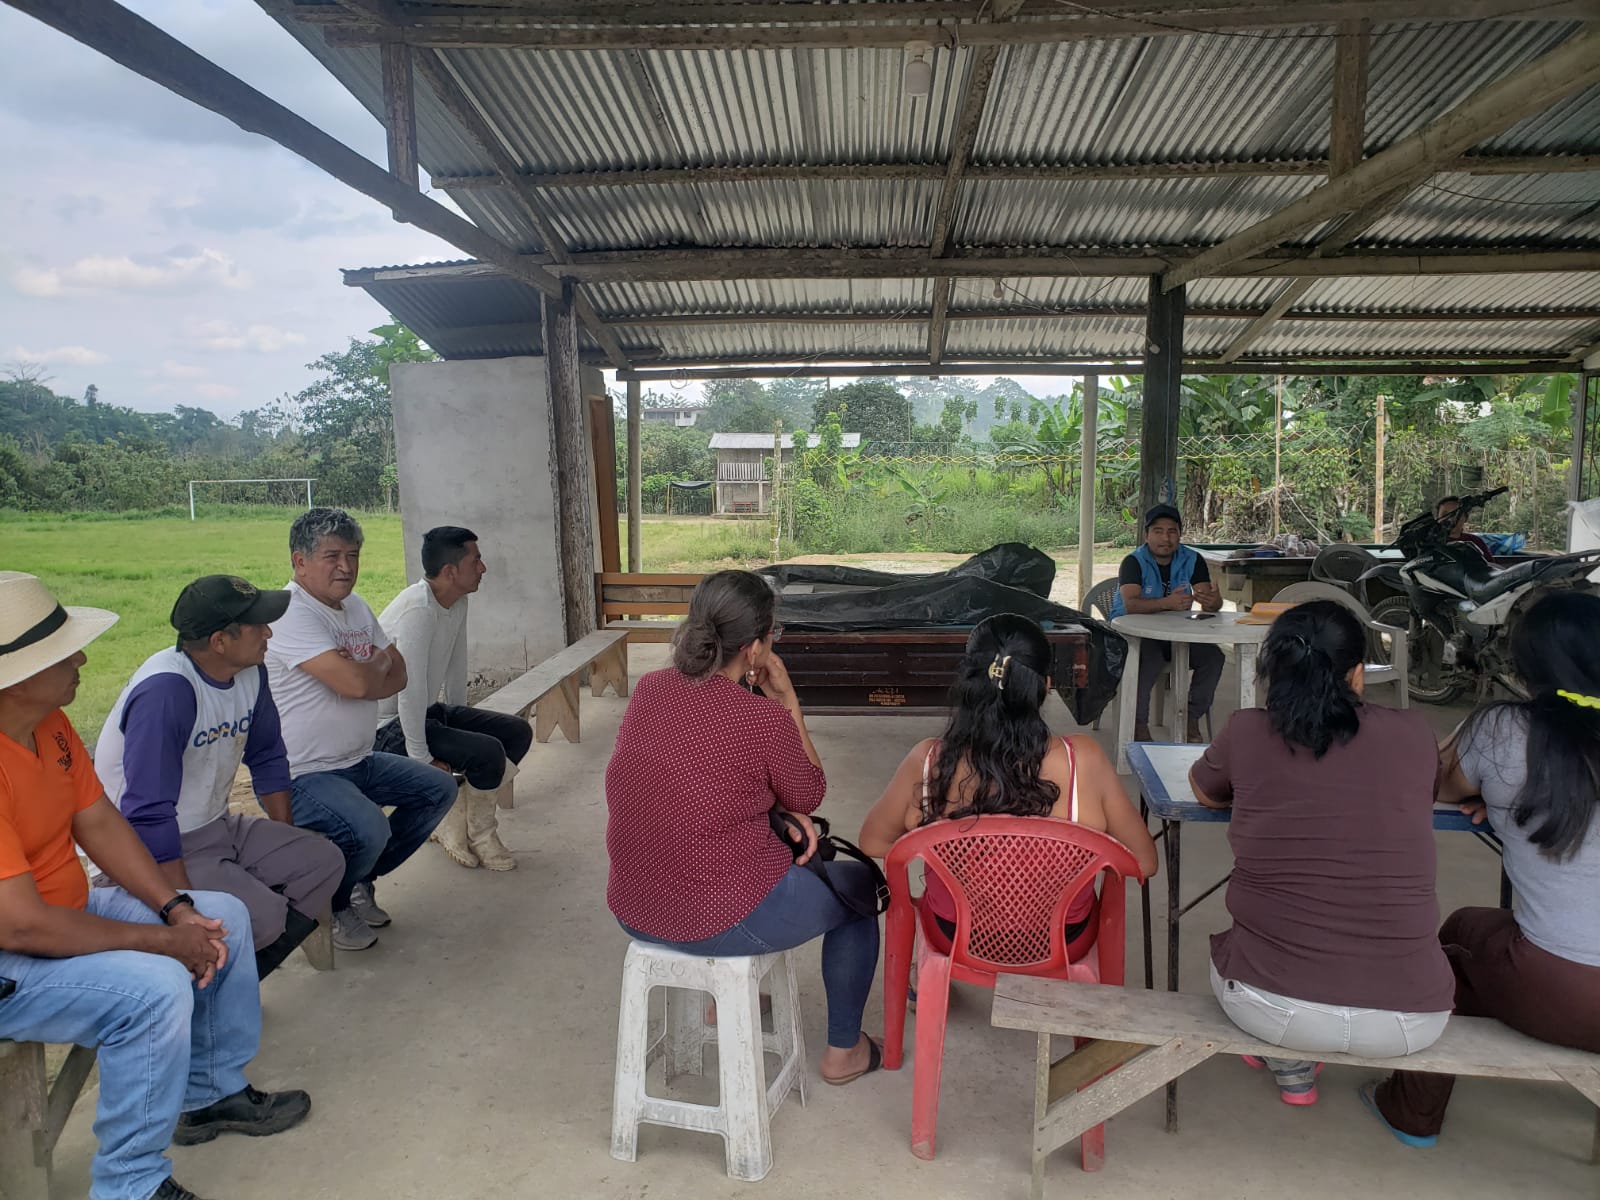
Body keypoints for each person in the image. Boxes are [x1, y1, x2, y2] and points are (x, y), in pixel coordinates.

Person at [0, 572, 310, 1200]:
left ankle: (210, 1093)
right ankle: (130, 1185)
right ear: (16, 677)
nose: (82, 661)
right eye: (64, 654)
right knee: (153, 990)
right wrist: (163, 942)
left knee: (222, 916)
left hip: (62, 908)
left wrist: (174, 908)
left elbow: (98, 821)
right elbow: (22, 924)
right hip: (12, 954)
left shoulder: (50, 725)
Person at [605, 570, 882, 1085]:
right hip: (715, 918)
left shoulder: (650, 690)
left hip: (635, 906)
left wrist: (777, 812)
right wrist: (787, 702)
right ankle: (844, 1052)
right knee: (861, 890)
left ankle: (723, 1000)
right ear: (755, 648)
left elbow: (699, 785)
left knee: (742, 844)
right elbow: (809, 793)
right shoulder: (762, 720)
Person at [1189, 600, 1453, 1106]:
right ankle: (1295, 1060)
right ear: (1358, 674)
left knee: (1239, 948)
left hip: (1271, 1009)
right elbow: (1424, 793)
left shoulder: (1247, 730)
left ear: (1275, 673)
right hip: (1413, 1019)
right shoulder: (1415, 733)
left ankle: (1290, 1063)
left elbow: (1205, 791)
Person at [1369, 591, 1600, 1146]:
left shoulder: (1504, 729)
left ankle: (1412, 1112)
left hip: (1565, 991)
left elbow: (1435, 781)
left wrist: (1495, 792)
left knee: (1458, 939)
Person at [859, 613, 1158, 960]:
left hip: (955, 937)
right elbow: (1144, 862)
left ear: (968, 681)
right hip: (1061, 942)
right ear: (1045, 685)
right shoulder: (1084, 760)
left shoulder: (927, 761)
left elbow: (873, 841)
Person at [94, 575, 345, 980]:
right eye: (257, 625)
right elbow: (148, 810)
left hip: (216, 824)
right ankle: (205, 981)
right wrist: (182, 905)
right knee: (262, 919)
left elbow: (268, 755)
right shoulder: (167, 691)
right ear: (219, 641)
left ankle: (236, 977)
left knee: (322, 862)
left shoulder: (251, 672)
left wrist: (284, 835)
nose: (269, 632)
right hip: (150, 843)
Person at [265, 508, 457, 952]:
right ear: (299, 561)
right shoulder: (291, 612)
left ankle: (357, 881)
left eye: (352, 555)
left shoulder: (354, 607)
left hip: (358, 759)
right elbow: (358, 684)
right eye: (332, 556)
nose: (346, 567)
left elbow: (399, 675)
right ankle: (331, 905)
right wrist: (370, 666)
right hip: (304, 773)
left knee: (439, 789)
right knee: (370, 829)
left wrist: (364, 669)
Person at [376, 526, 532, 871]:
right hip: (388, 727)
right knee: (487, 753)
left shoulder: (456, 600)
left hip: (426, 712)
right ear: (449, 571)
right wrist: (421, 758)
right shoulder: (418, 610)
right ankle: (477, 834)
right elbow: (409, 690)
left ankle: (465, 826)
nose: (483, 568)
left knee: (517, 733)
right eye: (476, 561)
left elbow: (456, 663)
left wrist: (460, 721)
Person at [1110, 503, 1224, 743]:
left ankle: (1190, 717)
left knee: (1213, 657)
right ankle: (1138, 724)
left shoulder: (1192, 558)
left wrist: (1213, 601)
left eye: (1172, 531)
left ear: (1180, 534)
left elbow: (1208, 601)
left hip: (1176, 634)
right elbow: (1131, 605)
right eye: (1158, 531)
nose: (1165, 538)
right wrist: (1167, 603)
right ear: (1146, 535)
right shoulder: (1133, 561)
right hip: (1135, 634)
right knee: (1149, 659)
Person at [1434, 496, 1494, 561]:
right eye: (1445, 514)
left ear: (1466, 518)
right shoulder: (1431, 543)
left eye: (1456, 514)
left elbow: (1490, 565)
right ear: (1437, 518)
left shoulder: (1476, 542)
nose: (1450, 519)